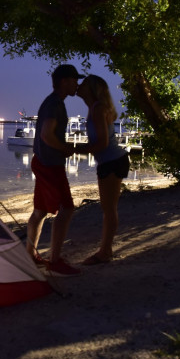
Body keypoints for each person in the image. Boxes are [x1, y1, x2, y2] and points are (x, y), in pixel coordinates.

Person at [26, 64, 84, 277]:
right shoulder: (55, 104)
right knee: (66, 209)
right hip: (50, 165)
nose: (76, 85)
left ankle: (30, 255)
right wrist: (65, 148)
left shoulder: (53, 102)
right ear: (65, 81)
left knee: (40, 211)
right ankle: (55, 260)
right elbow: (46, 135)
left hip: (42, 162)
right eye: (74, 80)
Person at [74, 74, 130, 265]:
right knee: (108, 208)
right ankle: (106, 250)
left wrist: (75, 149)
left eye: (83, 84)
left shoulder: (98, 109)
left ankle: (105, 252)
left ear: (91, 89)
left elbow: (103, 143)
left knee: (109, 209)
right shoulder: (95, 108)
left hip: (112, 160)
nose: (79, 86)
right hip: (112, 160)